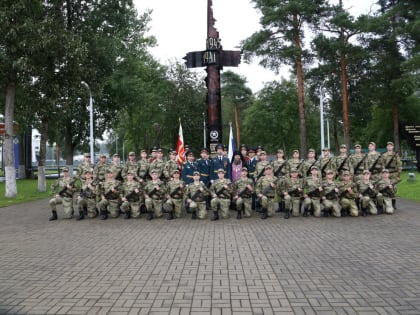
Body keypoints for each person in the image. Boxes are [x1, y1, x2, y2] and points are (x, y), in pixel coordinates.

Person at [381, 141, 402, 210]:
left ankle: (393, 203)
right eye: (388, 146)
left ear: (392, 147)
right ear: (387, 147)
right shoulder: (384, 155)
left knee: (394, 188)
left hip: (394, 174)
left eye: (391, 146)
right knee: (385, 187)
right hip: (386, 174)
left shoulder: (396, 155)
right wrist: (383, 173)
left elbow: (399, 164)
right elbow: (382, 165)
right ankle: (386, 202)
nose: (389, 147)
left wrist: (398, 175)